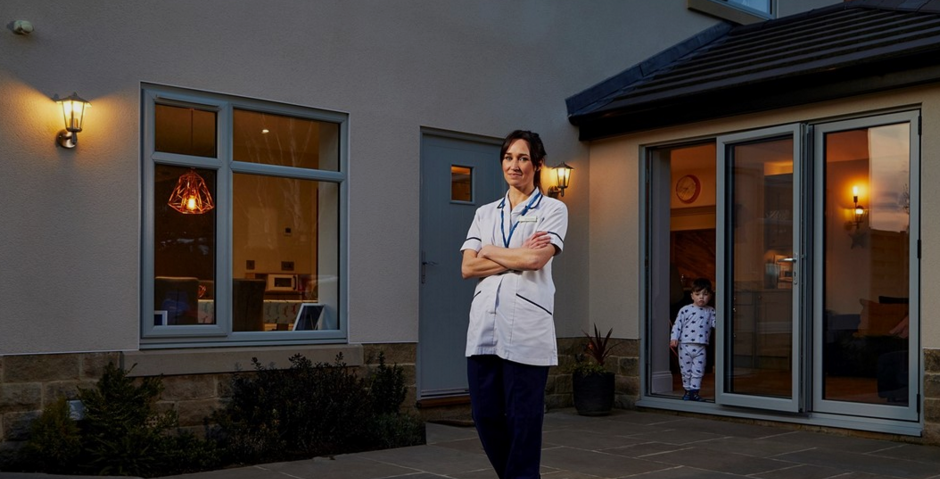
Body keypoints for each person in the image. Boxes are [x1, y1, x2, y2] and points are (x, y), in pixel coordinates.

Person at [460, 130, 568, 479]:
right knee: (484, 415)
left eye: (523, 158)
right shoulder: (485, 213)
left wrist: (490, 250)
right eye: (508, 158)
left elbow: (536, 260)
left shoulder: (553, 209)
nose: (514, 165)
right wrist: (515, 255)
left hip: (526, 329)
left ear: (538, 164)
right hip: (484, 328)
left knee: (524, 420)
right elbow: (468, 267)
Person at [669, 278, 716, 402]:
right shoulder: (685, 310)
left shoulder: (711, 311)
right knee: (686, 370)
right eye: (698, 294)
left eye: (705, 294)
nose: (701, 297)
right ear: (692, 296)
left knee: (698, 371)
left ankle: (694, 393)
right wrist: (674, 338)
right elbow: (677, 325)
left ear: (710, 296)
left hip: (701, 346)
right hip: (685, 345)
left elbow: (717, 324)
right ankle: (687, 391)